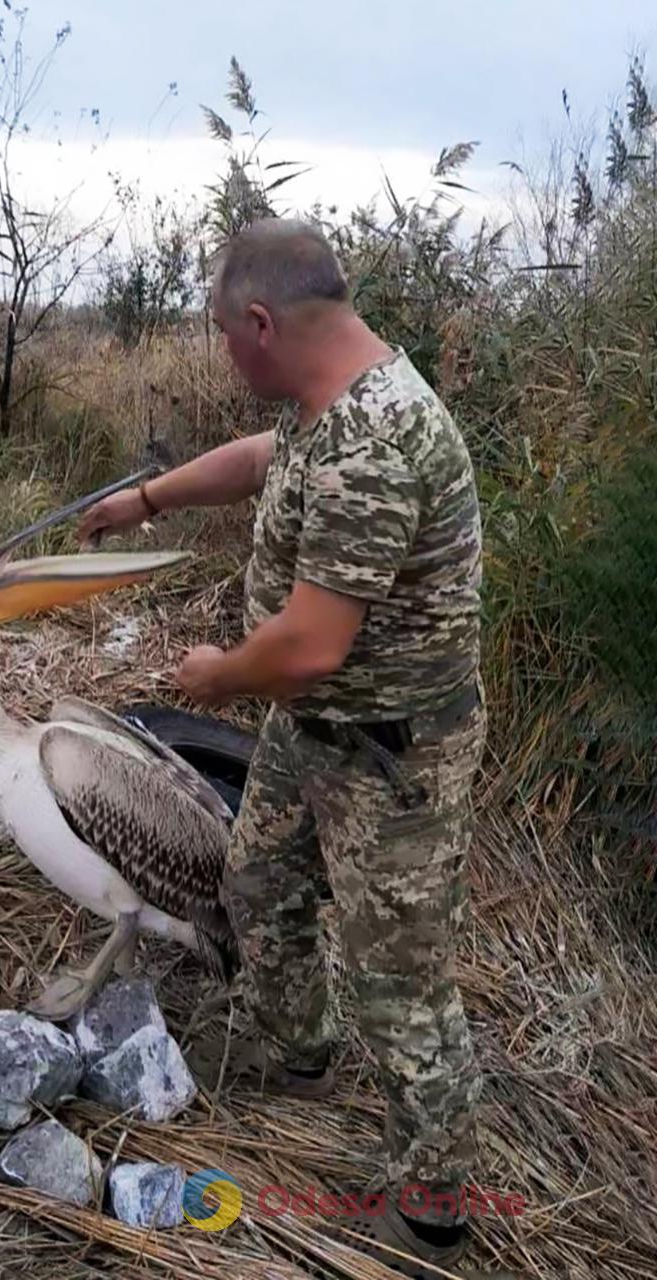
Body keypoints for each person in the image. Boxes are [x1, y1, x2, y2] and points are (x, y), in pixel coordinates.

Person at [77, 218, 490, 1277]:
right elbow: (266, 460)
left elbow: (307, 648)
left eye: (224, 335)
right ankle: (295, 1056)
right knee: (259, 881)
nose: (223, 355)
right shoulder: (331, 399)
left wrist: (215, 674)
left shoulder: (377, 441)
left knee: (402, 987)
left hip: (393, 759)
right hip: (317, 736)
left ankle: (435, 1212)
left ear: (262, 323)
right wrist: (149, 497)